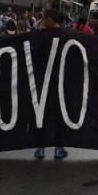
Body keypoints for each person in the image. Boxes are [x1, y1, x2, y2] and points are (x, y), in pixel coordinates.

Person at [34, 9, 68, 160]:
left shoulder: (39, 36)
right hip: (62, 81)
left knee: (41, 114)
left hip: (42, 81)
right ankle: (58, 148)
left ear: (50, 19)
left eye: (43, 18)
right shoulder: (67, 35)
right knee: (59, 115)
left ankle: (40, 148)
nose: (41, 21)